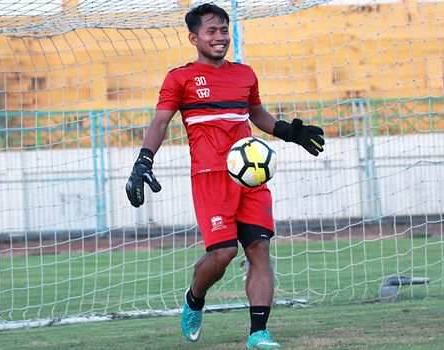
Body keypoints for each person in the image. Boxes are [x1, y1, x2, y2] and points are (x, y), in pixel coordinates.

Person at [125, 3, 324, 348]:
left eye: (223, 31)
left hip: (250, 175)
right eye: (211, 32)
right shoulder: (180, 78)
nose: (219, 38)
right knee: (222, 254)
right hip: (210, 176)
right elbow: (160, 122)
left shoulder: (244, 74)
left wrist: (289, 132)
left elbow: (257, 114)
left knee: (259, 248)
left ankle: (258, 333)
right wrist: (144, 161)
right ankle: (194, 299)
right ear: (194, 37)